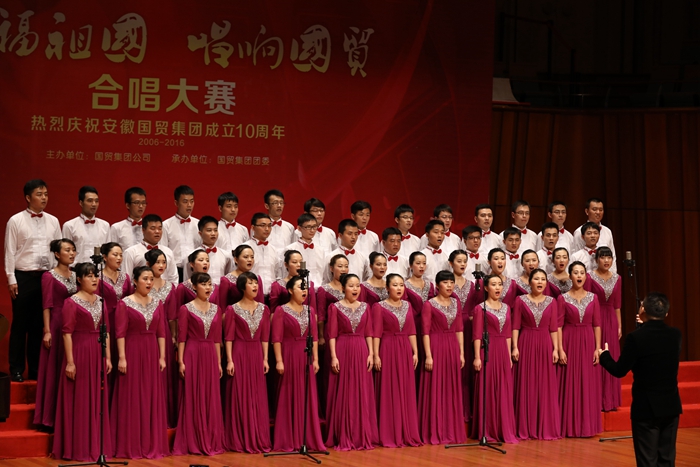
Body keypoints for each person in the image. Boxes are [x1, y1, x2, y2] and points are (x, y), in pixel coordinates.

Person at [599, 292, 682, 467]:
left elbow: (619, 370)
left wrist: (604, 356)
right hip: (671, 406)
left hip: (646, 408)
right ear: (666, 312)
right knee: (667, 459)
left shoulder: (635, 337)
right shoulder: (675, 335)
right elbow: (656, 346)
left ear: (642, 309)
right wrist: (645, 324)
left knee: (647, 460)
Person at [53, 262, 112, 461]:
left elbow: (106, 331)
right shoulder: (71, 302)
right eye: (89, 276)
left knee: (97, 399)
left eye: (95, 275)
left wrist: (108, 357)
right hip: (79, 352)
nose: (94, 279)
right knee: (79, 398)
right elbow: (67, 334)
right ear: (79, 279)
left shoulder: (102, 301)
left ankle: (95, 445)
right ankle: (78, 446)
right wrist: (70, 362)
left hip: (97, 352)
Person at [5, 179, 62, 382]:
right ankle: (17, 369)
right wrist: (11, 279)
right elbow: (10, 251)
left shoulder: (53, 221)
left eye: (46, 194)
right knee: (20, 325)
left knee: (40, 325)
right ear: (28, 198)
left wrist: (57, 276)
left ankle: (37, 370)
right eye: (39, 194)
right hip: (23, 276)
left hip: (46, 277)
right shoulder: (15, 220)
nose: (44, 198)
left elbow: (58, 251)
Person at [111, 266, 169, 459]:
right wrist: (122, 357)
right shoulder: (125, 303)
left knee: (150, 395)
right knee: (132, 394)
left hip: (151, 351)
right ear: (135, 281)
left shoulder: (157, 302)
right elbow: (120, 332)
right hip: (132, 351)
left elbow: (161, 332)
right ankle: (131, 443)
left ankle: (151, 443)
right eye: (145, 279)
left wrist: (162, 356)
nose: (149, 282)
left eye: (151, 279)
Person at [172, 272, 224, 455]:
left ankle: (210, 437)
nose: (208, 288)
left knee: (210, 395)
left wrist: (219, 362)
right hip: (192, 353)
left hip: (210, 354)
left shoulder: (217, 309)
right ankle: (193, 438)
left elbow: (217, 339)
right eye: (203, 284)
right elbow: (182, 337)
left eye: (209, 284)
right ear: (194, 287)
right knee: (193, 394)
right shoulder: (185, 309)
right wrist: (181, 361)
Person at [271, 276, 325, 452]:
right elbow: (276, 338)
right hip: (289, 354)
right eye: (300, 287)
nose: (304, 291)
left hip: (306, 356)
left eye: (305, 288)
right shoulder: (281, 310)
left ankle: (307, 438)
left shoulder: (310, 310)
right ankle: (288, 438)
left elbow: (314, 337)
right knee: (288, 394)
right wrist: (279, 360)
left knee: (307, 394)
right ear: (289, 290)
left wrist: (315, 359)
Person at [326, 273, 378, 450]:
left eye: (357, 286)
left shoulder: (365, 307)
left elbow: (369, 332)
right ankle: (344, 433)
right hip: (343, 349)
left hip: (361, 350)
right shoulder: (335, 307)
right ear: (343, 288)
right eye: (351, 286)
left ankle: (361, 434)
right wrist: (334, 356)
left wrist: (371, 354)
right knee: (344, 390)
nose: (355, 289)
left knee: (362, 390)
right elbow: (332, 334)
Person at [223, 272, 272, 453]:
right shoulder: (232, 310)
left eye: (256, 283)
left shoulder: (264, 309)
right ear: (243, 287)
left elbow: (265, 337)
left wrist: (265, 358)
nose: (255, 286)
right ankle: (239, 438)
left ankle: (258, 435)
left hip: (256, 353)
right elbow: (228, 337)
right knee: (239, 393)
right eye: (251, 283)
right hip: (239, 353)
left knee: (257, 395)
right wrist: (229, 360)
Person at [371, 274, 422, 448]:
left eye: (401, 285)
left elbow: (411, 330)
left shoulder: (407, 305)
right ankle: (389, 432)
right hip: (387, 348)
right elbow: (376, 333)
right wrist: (376, 354)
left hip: (405, 349)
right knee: (389, 387)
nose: (399, 288)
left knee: (405, 388)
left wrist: (415, 352)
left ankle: (405, 430)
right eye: (395, 285)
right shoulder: (379, 307)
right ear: (387, 288)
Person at [511, 269, 560, 440]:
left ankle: (544, 426)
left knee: (544, 384)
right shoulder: (520, 300)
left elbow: (553, 328)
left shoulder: (552, 301)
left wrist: (556, 348)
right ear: (530, 282)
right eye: (536, 279)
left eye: (543, 279)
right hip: (526, 343)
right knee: (527, 383)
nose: (540, 282)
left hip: (545, 344)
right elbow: (515, 326)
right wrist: (515, 347)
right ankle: (526, 426)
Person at [418, 270, 466, 444]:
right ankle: (434, 429)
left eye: (452, 282)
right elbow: (425, 331)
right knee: (435, 386)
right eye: (445, 282)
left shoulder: (456, 303)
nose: (449, 285)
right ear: (437, 286)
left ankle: (450, 430)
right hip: (436, 346)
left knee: (451, 387)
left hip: (452, 346)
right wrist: (428, 355)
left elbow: (459, 329)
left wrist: (461, 353)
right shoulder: (429, 304)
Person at [34, 239, 77, 428]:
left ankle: (68, 415)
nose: (72, 253)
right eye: (67, 250)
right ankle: (49, 418)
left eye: (73, 250)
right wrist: (47, 330)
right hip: (57, 323)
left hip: (74, 325)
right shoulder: (49, 276)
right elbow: (47, 305)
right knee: (54, 368)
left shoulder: (76, 275)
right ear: (57, 254)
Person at [557, 261, 602, 438]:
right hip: (569, 340)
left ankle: (587, 426)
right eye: (575, 273)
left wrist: (597, 348)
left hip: (588, 341)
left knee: (587, 381)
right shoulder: (562, 298)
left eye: (582, 273)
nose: (579, 276)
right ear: (570, 276)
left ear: (586, 276)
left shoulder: (594, 298)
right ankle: (569, 426)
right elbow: (558, 326)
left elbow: (597, 324)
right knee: (570, 381)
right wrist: (560, 349)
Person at [471, 274, 518, 444]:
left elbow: (507, 333)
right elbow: (477, 335)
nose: (498, 287)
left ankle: (503, 428)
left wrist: (509, 354)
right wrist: (477, 356)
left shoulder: (506, 307)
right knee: (488, 388)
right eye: (494, 284)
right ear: (485, 288)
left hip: (502, 351)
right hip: (487, 350)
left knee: (504, 389)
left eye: (500, 284)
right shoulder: (480, 308)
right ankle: (488, 430)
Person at [585, 246, 622, 412]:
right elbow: (587, 300)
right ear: (596, 260)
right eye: (602, 257)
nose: (606, 261)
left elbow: (617, 305)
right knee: (597, 355)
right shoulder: (589, 277)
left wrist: (619, 325)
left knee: (611, 356)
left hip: (611, 319)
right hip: (595, 318)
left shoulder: (617, 278)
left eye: (609, 258)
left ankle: (611, 400)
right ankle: (597, 400)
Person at [145, 248, 179, 429]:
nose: (161, 265)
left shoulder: (170, 287)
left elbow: (172, 316)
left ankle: (165, 415)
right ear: (148, 264)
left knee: (165, 371)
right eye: (157, 262)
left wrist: (173, 336)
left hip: (164, 330)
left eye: (163, 262)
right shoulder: (143, 284)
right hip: (147, 330)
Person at [97, 242, 133, 396]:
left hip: (124, 322)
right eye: (115, 254)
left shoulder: (125, 277)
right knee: (107, 357)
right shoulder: (97, 277)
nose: (119, 258)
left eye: (120, 255)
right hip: (106, 320)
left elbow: (131, 299)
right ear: (104, 257)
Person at [449, 249, 477, 423]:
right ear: (451, 263)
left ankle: (468, 408)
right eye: (459, 261)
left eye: (464, 261)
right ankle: (454, 408)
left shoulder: (472, 284)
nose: (462, 264)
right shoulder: (446, 283)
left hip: (468, 326)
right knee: (455, 364)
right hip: (452, 326)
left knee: (468, 365)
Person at [403, 251, 434, 389]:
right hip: (412, 326)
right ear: (411, 265)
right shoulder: (404, 285)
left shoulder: (430, 285)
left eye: (424, 263)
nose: (421, 266)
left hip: (429, 327)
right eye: (418, 263)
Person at [122, 214, 178, 284]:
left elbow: (173, 278)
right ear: (143, 230)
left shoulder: (168, 251)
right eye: (153, 228)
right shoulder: (131, 252)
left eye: (160, 228)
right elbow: (126, 280)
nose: (157, 231)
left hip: (165, 289)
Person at [61, 186, 110, 264]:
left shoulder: (105, 226)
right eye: (90, 201)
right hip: (77, 269)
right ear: (81, 203)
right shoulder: (69, 226)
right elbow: (65, 253)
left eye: (96, 201)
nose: (94, 204)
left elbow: (108, 252)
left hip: (99, 269)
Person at [161, 185, 199, 282]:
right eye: (185, 201)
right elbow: (163, 251)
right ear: (176, 203)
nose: (189, 205)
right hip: (175, 270)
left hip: (195, 270)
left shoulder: (199, 225)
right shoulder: (166, 225)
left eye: (192, 201)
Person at [183, 216, 233, 285]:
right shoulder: (191, 255)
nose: (213, 233)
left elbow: (228, 278)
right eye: (209, 230)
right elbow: (187, 280)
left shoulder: (226, 255)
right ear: (200, 233)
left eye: (215, 230)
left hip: (220, 291)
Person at [270, 250, 317, 314]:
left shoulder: (309, 284)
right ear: (286, 264)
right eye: (294, 262)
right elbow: (273, 311)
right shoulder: (277, 286)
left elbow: (314, 311)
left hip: (306, 318)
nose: (299, 265)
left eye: (301, 262)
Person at [572, 198, 617, 266]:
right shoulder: (579, 232)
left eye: (600, 210)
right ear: (587, 211)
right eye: (594, 209)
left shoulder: (607, 231)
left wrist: (612, 272)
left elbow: (612, 255)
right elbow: (577, 255)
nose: (598, 212)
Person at [245, 212, 280, 297]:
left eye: (269, 225)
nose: (267, 229)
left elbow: (277, 273)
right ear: (253, 228)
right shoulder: (245, 248)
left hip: (272, 295)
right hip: (252, 295)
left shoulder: (274, 249)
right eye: (263, 225)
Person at [219, 244, 265, 308]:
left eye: (252, 257)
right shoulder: (226, 280)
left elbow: (261, 304)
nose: (250, 260)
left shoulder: (257, 278)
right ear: (236, 260)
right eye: (246, 257)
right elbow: (222, 306)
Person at [285, 213, 325, 286]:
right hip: (298, 288)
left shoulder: (321, 250)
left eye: (314, 227)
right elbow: (285, 273)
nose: (312, 230)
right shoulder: (291, 248)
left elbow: (323, 273)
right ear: (299, 228)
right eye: (308, 227)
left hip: (318, 288)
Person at [421, 219, 448, 285]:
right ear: (427, 235)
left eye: (442, 233)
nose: (440, 235)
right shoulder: (421, 256)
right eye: (436, 232)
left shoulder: (446, 256)